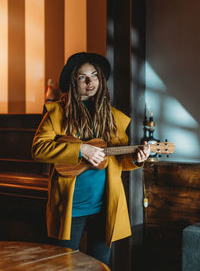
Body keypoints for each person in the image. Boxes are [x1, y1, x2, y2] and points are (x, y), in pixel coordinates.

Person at [31, 52, 150, 266]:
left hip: (104, 208)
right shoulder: (57, 113)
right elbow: (38, 149)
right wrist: (80, 150)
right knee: (62, 265)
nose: (90, 82)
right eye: (82, 77)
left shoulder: (112, 116)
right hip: (71, 208)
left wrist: (137, 159)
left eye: (94, 75)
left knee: (99, 265)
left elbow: (120, 159)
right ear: (72, 81)